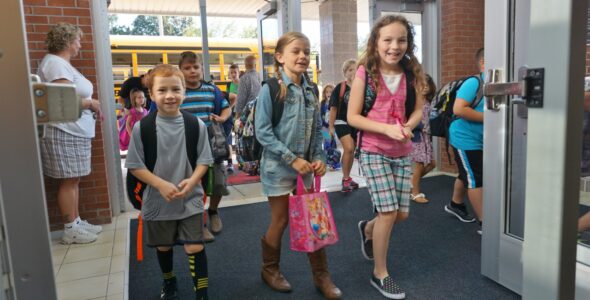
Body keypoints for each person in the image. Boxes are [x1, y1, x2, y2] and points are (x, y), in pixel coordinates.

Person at [255, 32, 342, 299]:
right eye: (295, 51)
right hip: (278, 168)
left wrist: (319, 158)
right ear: (280, 57)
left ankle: (321, 276)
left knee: (313, 219)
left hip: (306, 169)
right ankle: (270, 269)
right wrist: (292, 159)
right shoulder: (270, 88)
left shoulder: (311, 89)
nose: (302, 56)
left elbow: (316, 129)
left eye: (306, 51)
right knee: (280, 221)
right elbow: (263, 131)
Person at [348, 15, 426, 299]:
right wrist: (385, 129)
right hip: (373, 150)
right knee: (389, 213)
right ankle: (380, 273)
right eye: (388, 40)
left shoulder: (411, 72)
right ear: (376, 42)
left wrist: (408, 126)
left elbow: (418, 110)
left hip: (402, 152)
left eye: (401, 40)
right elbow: (352, 116)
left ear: (409, 42)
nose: (395, 46)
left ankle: (367, 228)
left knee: (400, 215)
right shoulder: (364, 73)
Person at [125, 64, 212, 300]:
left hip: (190, 198)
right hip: (157, 200)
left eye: (176, 89)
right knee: (164, 246)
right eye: (162, 90)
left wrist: (193, 181)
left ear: (184, 92)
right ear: (151, 95)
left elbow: (205, 160)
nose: (170, 95)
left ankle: (201, 293)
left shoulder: (197, 125)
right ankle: (169, 280)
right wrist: (161, 185)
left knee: (195, 245)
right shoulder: (142, 128)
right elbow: (135, 165)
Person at [38, 23, 103, 244]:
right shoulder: (56, 64)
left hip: (74, 131)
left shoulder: (62, 64)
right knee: (68, 180)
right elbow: (62, 100)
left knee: (73, 178)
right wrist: (92, 103)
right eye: (77, 40)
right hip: (64, 130)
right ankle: (70, 228)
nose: (79, 44)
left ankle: (75, 221)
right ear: (67, 41)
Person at [178, 51, 231, 240]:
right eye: (187, 68)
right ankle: (198, 223)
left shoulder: (211, 90)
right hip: (188, 147)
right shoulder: (178, 91)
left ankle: (214, 211)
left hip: (212, 144)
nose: (192, 71)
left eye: (195, 67)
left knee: (217, 182)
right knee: (194, 186)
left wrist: (222, 118)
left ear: (202, 68)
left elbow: (226, 106)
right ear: (180, 71)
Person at [444, 48, 485, 232]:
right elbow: (459, 109)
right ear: (483, 63)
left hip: (482, 139)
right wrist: (489, 118)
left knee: (466, 173)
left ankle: (456, 204)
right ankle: (486, 223)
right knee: (476, 178)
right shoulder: (474, 82)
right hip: (465, 137)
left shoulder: (498, 84)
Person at [329, 59, 360, 192]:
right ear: (345, 73)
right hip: (341, 121)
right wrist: (330, 127)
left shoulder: (361, 88)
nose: (353, 72)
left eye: (356, 69)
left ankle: (346, 179)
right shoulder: (340, 87)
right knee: (348, 148)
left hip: (356, 123)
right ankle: (346, 178)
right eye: (350, 70)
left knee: (351, 151)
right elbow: (333, 108)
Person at [409, 74, 437, 203]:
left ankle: (410, 184)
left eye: (428, 85)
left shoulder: (428, 100)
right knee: (419, 164)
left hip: (426, 137)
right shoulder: (413, 102)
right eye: (422, 85)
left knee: (432, 164)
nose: (425, 87)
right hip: (417, 135)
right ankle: (415, 193)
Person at [224, 64, 240, 173]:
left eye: (235, 72)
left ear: (238, 72)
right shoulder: (229, 84)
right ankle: (230, 163)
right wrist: (229, 108)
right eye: (231, 72)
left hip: (239, 113)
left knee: (239, 137)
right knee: (230, 136)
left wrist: (232, 107)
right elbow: (229, 97)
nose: (233, 75)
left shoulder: (241, 84)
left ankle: (241, 160)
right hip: (232, 114)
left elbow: (238, 98)